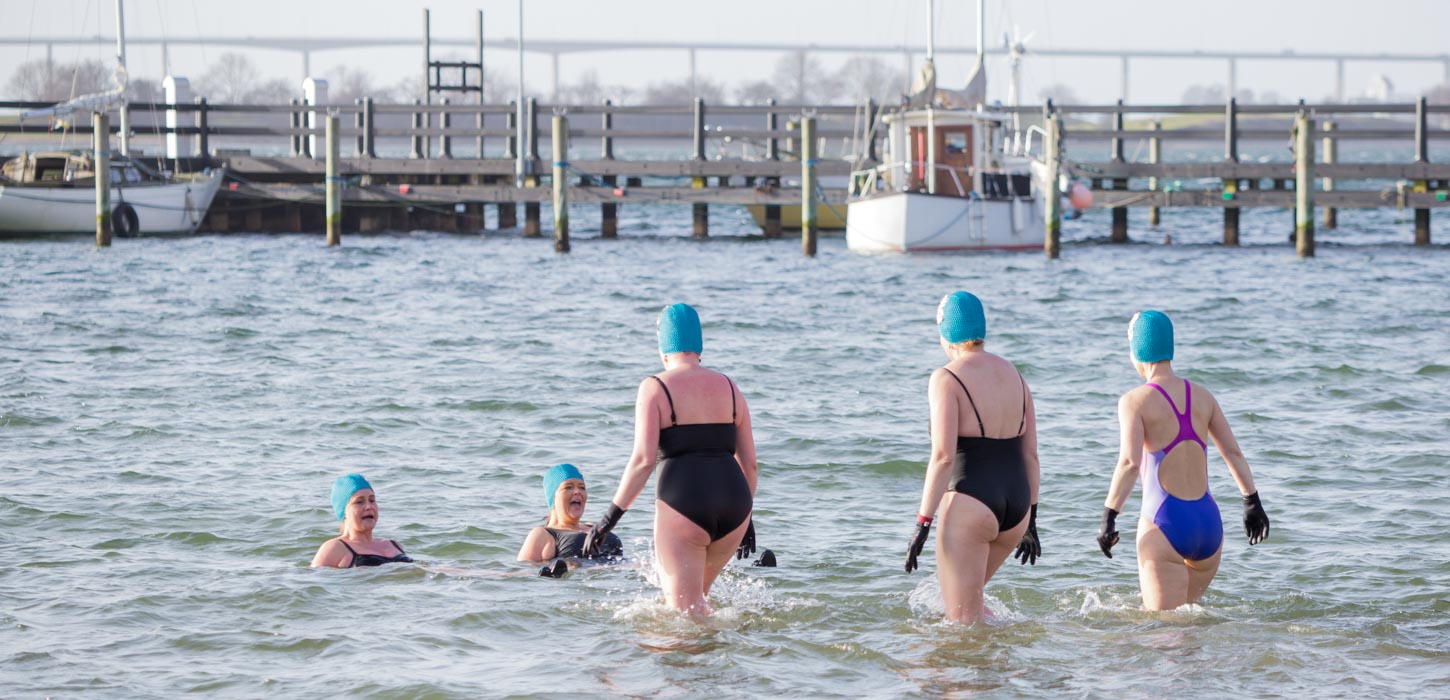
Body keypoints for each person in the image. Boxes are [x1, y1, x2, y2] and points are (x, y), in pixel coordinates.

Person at [583, 303, 759, 614]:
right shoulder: (730, 387)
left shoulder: (655, 387)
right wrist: (746, 518)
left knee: (682, 615)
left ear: (663, 347)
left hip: (684, 504)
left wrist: (608, 520)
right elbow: (751, 465)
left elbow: (643, 461)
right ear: (699, 346)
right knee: (700, 603)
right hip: (736, 505)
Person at [1096, 310, 1270, 610]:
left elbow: (1130, 464)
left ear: (1137, 351)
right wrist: (1252, 502)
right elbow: (1233, 453)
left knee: (1164, 630)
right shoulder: (1203, 396)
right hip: (1208, 525)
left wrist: (1109, 516)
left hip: (1165, 522)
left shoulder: (1134, 401)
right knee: (1189, 626)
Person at [905, 291, 1042, 625]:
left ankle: (988, 660)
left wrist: (923, 523)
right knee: (966, 605)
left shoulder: (946, 378)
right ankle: (1012, 652)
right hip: (1017, 508)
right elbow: (1031, 455)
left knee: (961, 625)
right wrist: (1032, 521)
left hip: (972, 504)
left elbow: (943, 457)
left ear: (946, 332)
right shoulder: (1016, 375)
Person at [517, 463, 623, 575]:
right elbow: (524, 574)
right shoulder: (543, 534)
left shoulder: (593, 527)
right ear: (553, 497)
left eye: (582, 487)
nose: (577, 491)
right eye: (568, 487)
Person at [311, 473, 414, 568]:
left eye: (372, 500)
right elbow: (314, 578)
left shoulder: (394, 545)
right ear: (344, 511)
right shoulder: (335, 548)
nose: (369, 506)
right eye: (359, 502)